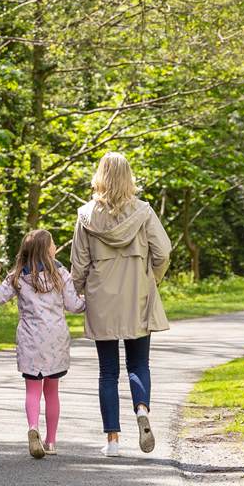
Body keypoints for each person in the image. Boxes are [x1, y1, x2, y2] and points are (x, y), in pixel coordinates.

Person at [70, 152, 172, 457]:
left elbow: (79, 263)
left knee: (107, 372)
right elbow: (163, 251)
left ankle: (113, 440)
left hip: (102, 298)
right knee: (139, 363)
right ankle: (141, 409)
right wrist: (152, 279)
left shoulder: (86, 216)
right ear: (129, 177)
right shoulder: (144, 212)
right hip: (137, 295)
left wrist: (76, 293)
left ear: (100, 176)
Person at [0, 229, 85, 459]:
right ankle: (50, 441)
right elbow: (73, 305)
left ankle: (32, 428)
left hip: (30, 339)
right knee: (52, 391)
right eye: (52, 244)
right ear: (46, 249)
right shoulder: (61, 274)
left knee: (32, 389)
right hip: (55, 340)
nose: (55, 247)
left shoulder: (17, 276)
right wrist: (90, 302)